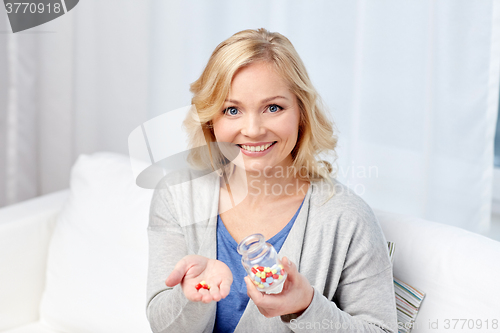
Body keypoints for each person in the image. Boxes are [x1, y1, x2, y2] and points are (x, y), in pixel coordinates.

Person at [146, 28, 397, 333]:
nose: (252, 129)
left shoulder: (347, 218)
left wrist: (306, 307)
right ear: (212, 119)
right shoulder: (177, 196)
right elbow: (163, 325)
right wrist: (192, 297)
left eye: (273, 107)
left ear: (301, 112)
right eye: (232, 109)